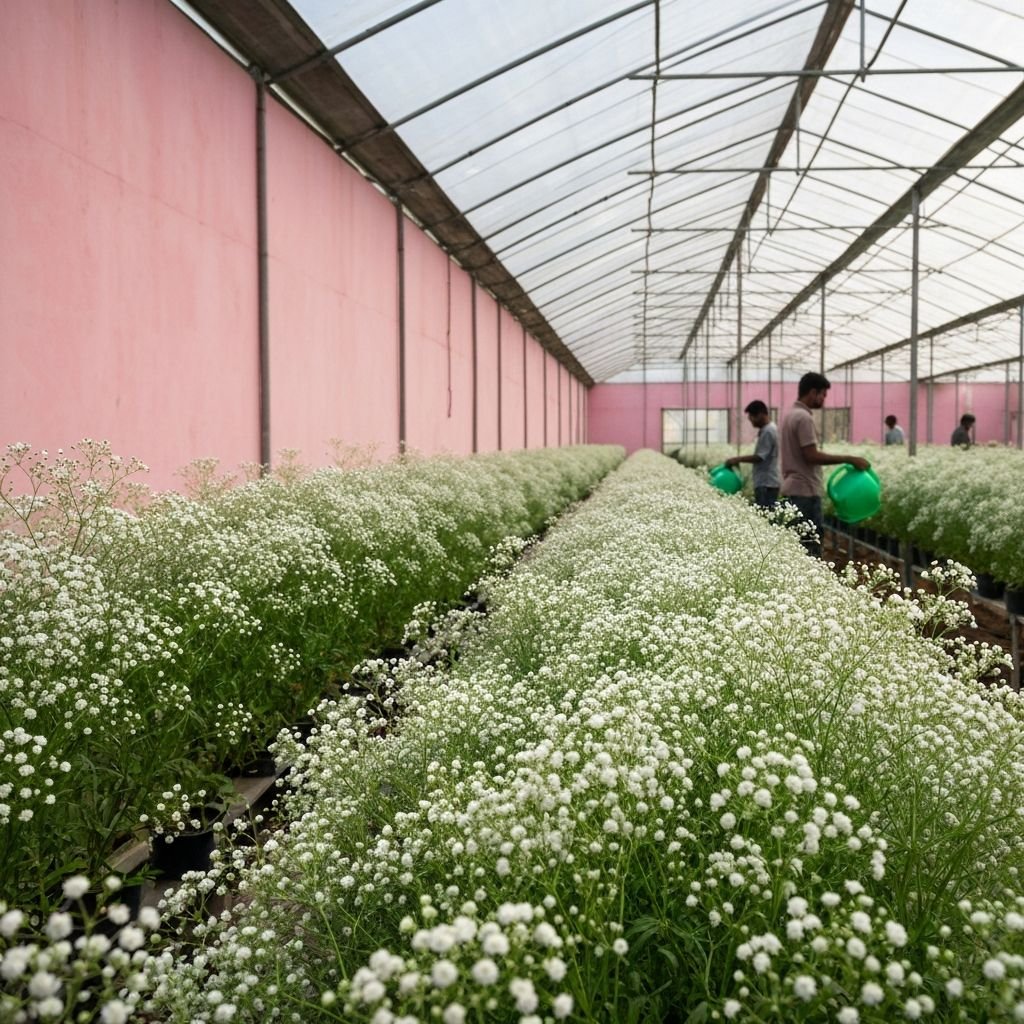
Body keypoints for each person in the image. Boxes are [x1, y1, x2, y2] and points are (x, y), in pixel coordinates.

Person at [780, 371, 870, 558]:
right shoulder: (804, 418)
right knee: (810, 548)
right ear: (813, 392)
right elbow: (811, 455)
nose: (823, 400)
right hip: (805, 492)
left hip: (791, 490)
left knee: (795, 549)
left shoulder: (789, 415)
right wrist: (849, 458)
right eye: (823, 395)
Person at [725, 400, 779, 508]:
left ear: (760, 414)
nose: (752, 422)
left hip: (766, 483)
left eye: (752, 418)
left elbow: (760, 457)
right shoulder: (769, 429)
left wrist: (737, 459)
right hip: (767, 482)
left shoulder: (768, 431)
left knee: (765, 513)